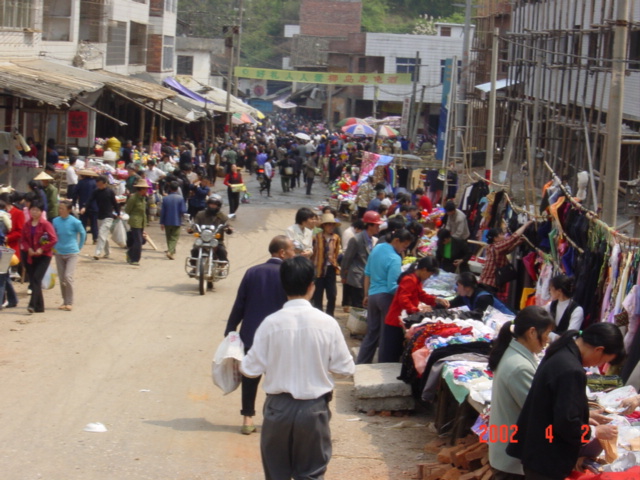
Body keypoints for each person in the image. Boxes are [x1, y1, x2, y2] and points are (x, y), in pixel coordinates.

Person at [240, 256, 355, 480]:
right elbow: (345, 369)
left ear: (284, 287)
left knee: (277, 474)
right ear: (312, 286)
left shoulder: (271, 323)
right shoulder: (327, 323)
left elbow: (250, 369)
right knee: (311, 474)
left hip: (277, 410)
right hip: (313, 410)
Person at [508, 323, 625, 480]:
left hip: (536, 448)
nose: (596, 365)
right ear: (599, 350)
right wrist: (595, 432)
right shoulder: (572, 370)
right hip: (547, 457)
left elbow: (554, 405)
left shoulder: (561, 352)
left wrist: (585, 415)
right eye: (601, 361)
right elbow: (566, 423)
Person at [225, 236, 295, 434]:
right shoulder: (288, 274)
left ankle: (247, 419)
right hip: (279, 336)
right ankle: (274, 418)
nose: (293, 253)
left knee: (250, 376)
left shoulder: (252, 272)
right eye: (291, 250)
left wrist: (231, 328)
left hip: (251, 334)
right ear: (282, 252)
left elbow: (240, 303)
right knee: (278, 378)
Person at [487, 306, 555, 479]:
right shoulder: (519, 366)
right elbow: (537, 410)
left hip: (508, 447)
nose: (547, 340)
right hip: (512, 454)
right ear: (532, 332)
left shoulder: (516, 353)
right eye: (546, 334)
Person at [356, 228, 415, 364]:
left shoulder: (378, 248)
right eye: (404, 246)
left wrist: (366, 294)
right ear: (396, 241)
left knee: (371, 333)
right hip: (385, 299)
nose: (403, 250)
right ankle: (382, 365)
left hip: (372, 296)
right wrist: (408, 295)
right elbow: (392, 287)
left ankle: (361, 363)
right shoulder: (395, 258)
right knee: (385, 335)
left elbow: (368, 273)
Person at [381, 257, 449, 362]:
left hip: (402, 320)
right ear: (424, 270)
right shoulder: (409, 279)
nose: (428, 277)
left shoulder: (416, 280)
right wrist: (416, 310)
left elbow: (421, 295)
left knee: (396, 353)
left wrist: (436, 300)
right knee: (390, 355)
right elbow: (403, 300)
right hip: (395, 321)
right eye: (429, 275)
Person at [479, 221, 533, 296]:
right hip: (490, 283)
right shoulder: (497, 246)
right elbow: (513, 238)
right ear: (495, 238)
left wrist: (516, 244)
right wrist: (526, 224)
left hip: (486, 281)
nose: (504, 236)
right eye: (501, 234)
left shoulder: (491, 247)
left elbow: (505, 251)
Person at [21, 202, 57, 314]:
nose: (34, 212)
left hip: (44, 256)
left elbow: (53, 239)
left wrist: (42, 248)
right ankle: (40, 307)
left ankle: (31, 305)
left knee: (36, 279)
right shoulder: (27, 224)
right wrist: (29, 249)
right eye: (32, 210)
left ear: (41, 212)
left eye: (37, 210)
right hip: (31, 255)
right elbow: (23, 240)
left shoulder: (46, 224)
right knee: (34, 280)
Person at [341, 212, 382, 310]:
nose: (378, 228)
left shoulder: (373, 240)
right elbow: (347, 259)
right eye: (377, 225)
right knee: (358, 306)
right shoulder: (356, 239)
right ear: (369, 225)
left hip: (368, 278)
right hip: (357, 278)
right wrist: (344, 275)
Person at [52, 200, 86, 311]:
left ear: (69, 210)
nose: (60, 210)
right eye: (59, 208)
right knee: (62, 278)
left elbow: (83, 233)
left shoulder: (75, 222)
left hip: (71, 253)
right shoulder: (55, 221)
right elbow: (52, 235)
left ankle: (70, 301)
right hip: (59, 252)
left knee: (68, 277)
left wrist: (79, 246)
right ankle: (65, 301)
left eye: (62, 208)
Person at [82, 175, 120, 260]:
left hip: (108, 217)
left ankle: (97, 253)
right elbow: (90, 200)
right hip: (100, 217)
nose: (98, 186)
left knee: (102, 234)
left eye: (100, 184)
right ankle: (107, 252)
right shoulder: (96, 191)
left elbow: (115, 203)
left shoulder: (110, 192)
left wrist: (118, 213)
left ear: (105, 183)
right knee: (104, 236)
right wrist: (84, 207)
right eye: (97, 184)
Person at [311, 213, 341, 317]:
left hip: (330, 269)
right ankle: (318, 316)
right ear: (324, 226)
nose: (331, 227)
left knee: (332, 295)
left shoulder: (336, 238)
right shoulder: (316, 237)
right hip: (318, 269)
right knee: (318, 295)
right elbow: (313, 253)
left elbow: (336, 253)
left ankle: (329, 316)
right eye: (329, 225)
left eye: (332, 225)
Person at [191, 197, 232, 265]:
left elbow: (227, 225)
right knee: (195, 250)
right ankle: (194, 267)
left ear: (218, 206)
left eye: (215, 204)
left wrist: (228, 229)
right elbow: (195, 224)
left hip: (216, 240)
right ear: (208, 204)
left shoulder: (222, 216)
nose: (212, 206)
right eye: (211, 204)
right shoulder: (200, 214)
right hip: (202, 239)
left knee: (222, 251)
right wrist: (192, 229)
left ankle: (222, 266)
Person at [160, 181, 186, 260]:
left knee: (169, 237)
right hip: (177, 220)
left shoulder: (165, 198)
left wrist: (161, 222)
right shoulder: (180, 198)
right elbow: (183, 210)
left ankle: (171, 251)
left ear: (170, 188)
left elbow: (162, 211)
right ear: (177, 189)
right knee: (174, 237)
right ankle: (170, 251)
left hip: (167, 221)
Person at [124, 179, 148, 266]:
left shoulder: (143, 198)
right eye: (145, 189)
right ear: (141, 189)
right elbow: (127, 209)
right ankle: (135, 259)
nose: (146, 190)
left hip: (142, 221)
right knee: (138, 241)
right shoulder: (133, 198)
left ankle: (130, 253)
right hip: (135, 221)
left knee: (139, 240)